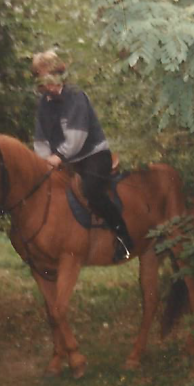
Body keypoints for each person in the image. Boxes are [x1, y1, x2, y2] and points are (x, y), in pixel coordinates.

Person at [31, 50, 134, 262]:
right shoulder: (44, 103)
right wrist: (43, 161)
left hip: (92, 155)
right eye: (40, 77)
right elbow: (40, 139)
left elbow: (77, 138)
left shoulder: (75, 96)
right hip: (64, 160)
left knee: (91, 190)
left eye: (48, 76)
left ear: (59, 74)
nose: (45, 83)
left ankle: (123, 237)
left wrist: (56, 158)